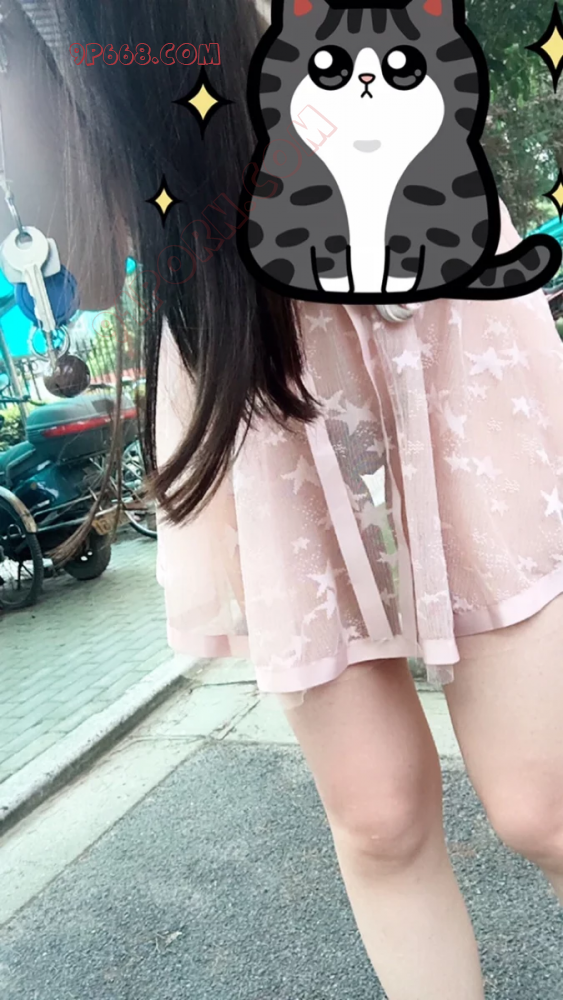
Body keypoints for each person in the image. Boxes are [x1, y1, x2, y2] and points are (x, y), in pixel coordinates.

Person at [2, 1, 563, 997]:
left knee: (543, 806)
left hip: (430, 283)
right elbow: (91, 266)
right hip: (244, 355)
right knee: (377, 814)